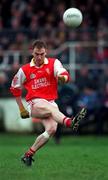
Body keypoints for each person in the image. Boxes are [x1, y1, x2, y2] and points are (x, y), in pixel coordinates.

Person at [10, 40, 87, 166]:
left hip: (50, 102)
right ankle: (70, 122)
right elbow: (14, 88)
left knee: (51, 129)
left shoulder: (54, 63)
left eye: (42, 54)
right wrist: (21, 108)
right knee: (51, 109)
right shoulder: (24, 70)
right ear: (32, 53)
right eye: (36, 54)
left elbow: (63, 73)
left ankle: (28, 155)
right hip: (34, 103)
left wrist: (63, 78)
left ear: (46, 52)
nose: (39, 57)